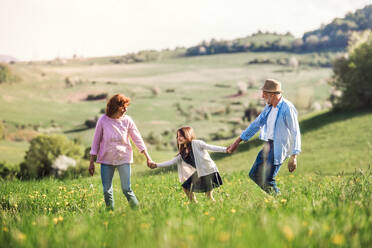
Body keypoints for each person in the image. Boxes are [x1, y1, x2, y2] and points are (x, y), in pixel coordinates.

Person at [227, 79, 301, 194]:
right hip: (269, 145)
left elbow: (295, 131)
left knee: (267, 179)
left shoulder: (287, 108)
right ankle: (278, 200)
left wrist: (294, 156)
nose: (262, 96)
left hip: (279, 147)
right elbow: (256, 124)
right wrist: (237, 142)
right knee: (254, 174)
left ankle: (281, 202)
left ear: (272, 95)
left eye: (264, 94)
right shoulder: (269, 108)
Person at [89, 94, 153, 209]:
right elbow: (95, 142)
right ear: (114, 107)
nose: (125, 109)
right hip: (106, 159)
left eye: (126, 107)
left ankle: (137, 210)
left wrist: (148, 157)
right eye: (123, 107)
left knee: (126, 189)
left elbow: (137, 139)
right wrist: (91, 162)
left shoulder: (127, 120)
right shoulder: (103, 120)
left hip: (123, 157)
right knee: (106, 190)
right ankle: (110, 213)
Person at [148, 127, 229, 202]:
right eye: (178, 136)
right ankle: (194, 203)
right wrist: (156, 165)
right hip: (201, 173)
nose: (178, 138)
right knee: (186, 187)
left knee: (208, 196)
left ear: (188, 135)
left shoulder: (197, 143)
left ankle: (213, 207)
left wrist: (226, 149)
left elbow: (211, 147)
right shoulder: (183, 152)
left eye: (181, 136)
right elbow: (172, 162)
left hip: (209, 171)